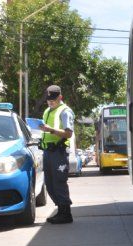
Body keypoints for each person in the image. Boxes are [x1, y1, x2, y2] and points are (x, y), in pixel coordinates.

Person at [39, 84, 75, 224]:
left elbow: (68, 133)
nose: (50, 101)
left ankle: (66, 214)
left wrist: (51, 130)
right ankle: (60, 210)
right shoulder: (47, 111)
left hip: (59, 151)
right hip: (48, 151)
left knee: (59, 182)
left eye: (53, 99)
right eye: (48, 99)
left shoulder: (65, 111)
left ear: (60, 97)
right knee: (49, 183)